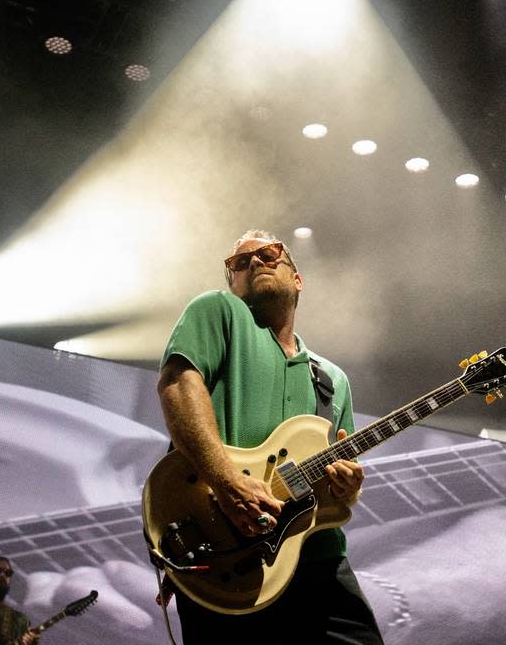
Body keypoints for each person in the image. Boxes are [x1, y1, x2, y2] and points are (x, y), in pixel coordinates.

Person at [157, 229, 384, 643]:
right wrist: (227, 482)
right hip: (226, 557)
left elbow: (334, 495)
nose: (255, 263)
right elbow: (177, 384)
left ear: (297, 279)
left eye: (268, 254)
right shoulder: (217, 311)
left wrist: (347, 487)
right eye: (239, 263)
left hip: (315, 559)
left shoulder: (332, 380)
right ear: (233, 283)